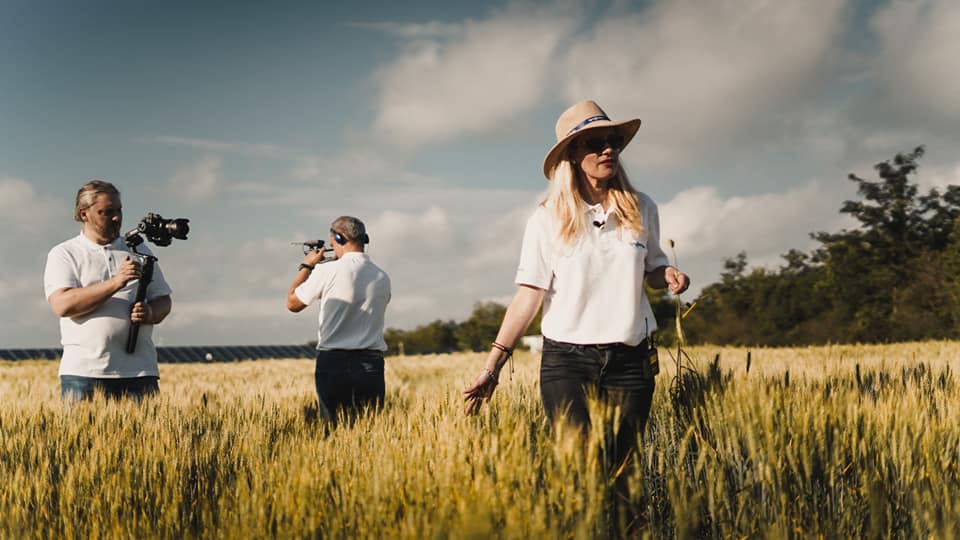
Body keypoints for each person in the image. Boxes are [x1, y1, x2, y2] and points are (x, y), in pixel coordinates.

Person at [464, 100, 690, 461]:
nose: (608, 149)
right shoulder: (546, 219)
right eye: (594, 143)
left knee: (624, 472)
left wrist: (669, 274)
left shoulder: (641, 207)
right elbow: (528, 295)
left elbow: (652, 268)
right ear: (571, 155)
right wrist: (492, 366)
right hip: (567, 361)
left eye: (612, 141)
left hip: (631, 362)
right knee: (579, 468)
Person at [43, 180, 173, 401]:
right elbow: (63, 304)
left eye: (119, 210)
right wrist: (116, 282)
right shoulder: (65, 253)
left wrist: (150, 313)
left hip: (140, 372)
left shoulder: (139, 250)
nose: (117, 218)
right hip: (85, 374)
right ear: (84, 214)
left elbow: (163, 299)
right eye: (107, 212)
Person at [287, 216, 391, 424]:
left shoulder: (326, 271)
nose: (331, 247)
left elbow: (293, 303)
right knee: (370, 430)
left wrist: (307, 266)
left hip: (333, 361)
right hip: (371, 362)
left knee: (333, 429)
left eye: (333, 242)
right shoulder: (382, 276)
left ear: (339, 237)